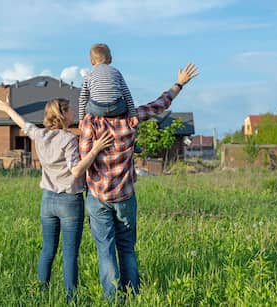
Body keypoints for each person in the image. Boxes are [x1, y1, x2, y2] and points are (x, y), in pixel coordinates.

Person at [79, 63, 198, 299]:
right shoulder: (131, 120)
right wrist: (179, 83)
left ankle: (112, 299)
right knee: (127, 248)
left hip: (98, 197)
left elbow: (85, 160)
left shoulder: (89, 124)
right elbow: (159, 104)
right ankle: (132, 295)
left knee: (105, 251)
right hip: (125, 195)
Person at [0, 95, 113, 302]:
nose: (74, 112)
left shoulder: (40, 135)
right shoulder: (69, 140)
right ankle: (70, 299)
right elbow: (75, 170)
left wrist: (7, 109)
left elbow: (23, 124)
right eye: (71, 110)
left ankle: (40, 293)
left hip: (47, 201)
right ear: (63, 114)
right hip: (69, 201)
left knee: (48, 250)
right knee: (69, 254)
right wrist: (95, 150)